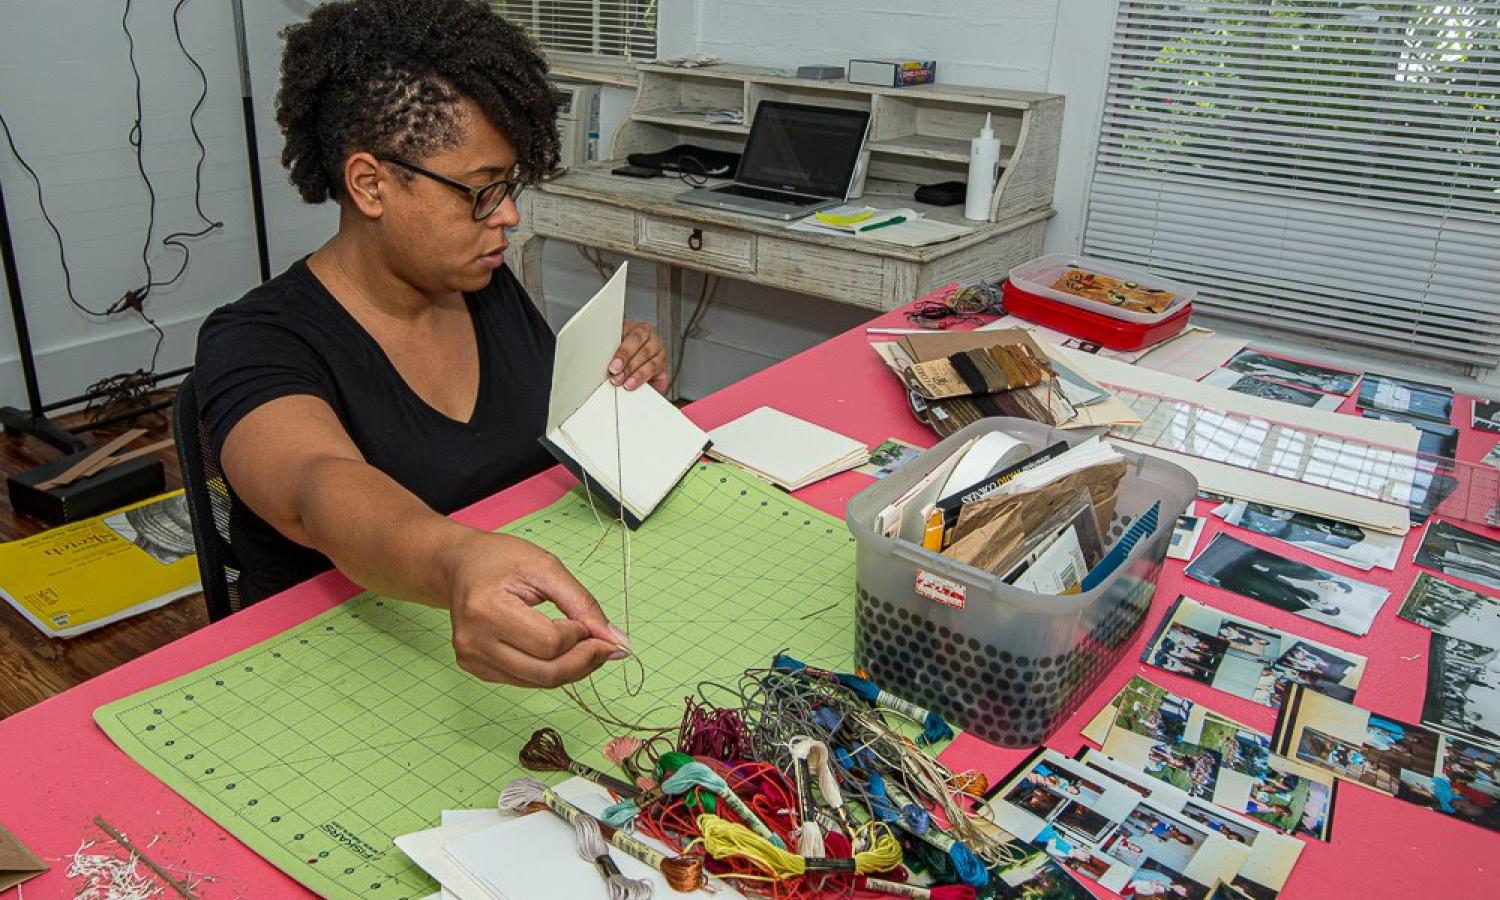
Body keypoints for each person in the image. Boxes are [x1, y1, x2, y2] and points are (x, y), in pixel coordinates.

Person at [194, 0, 669, 688]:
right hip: (329, 675)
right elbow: (318, 487)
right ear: (371, 184)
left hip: (481, 645)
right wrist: (458, 563)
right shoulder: (257, 339)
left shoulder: (485, 285)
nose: (506, 214)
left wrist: (617, 374)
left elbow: (529, 441)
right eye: (480, 191)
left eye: (509, 186)